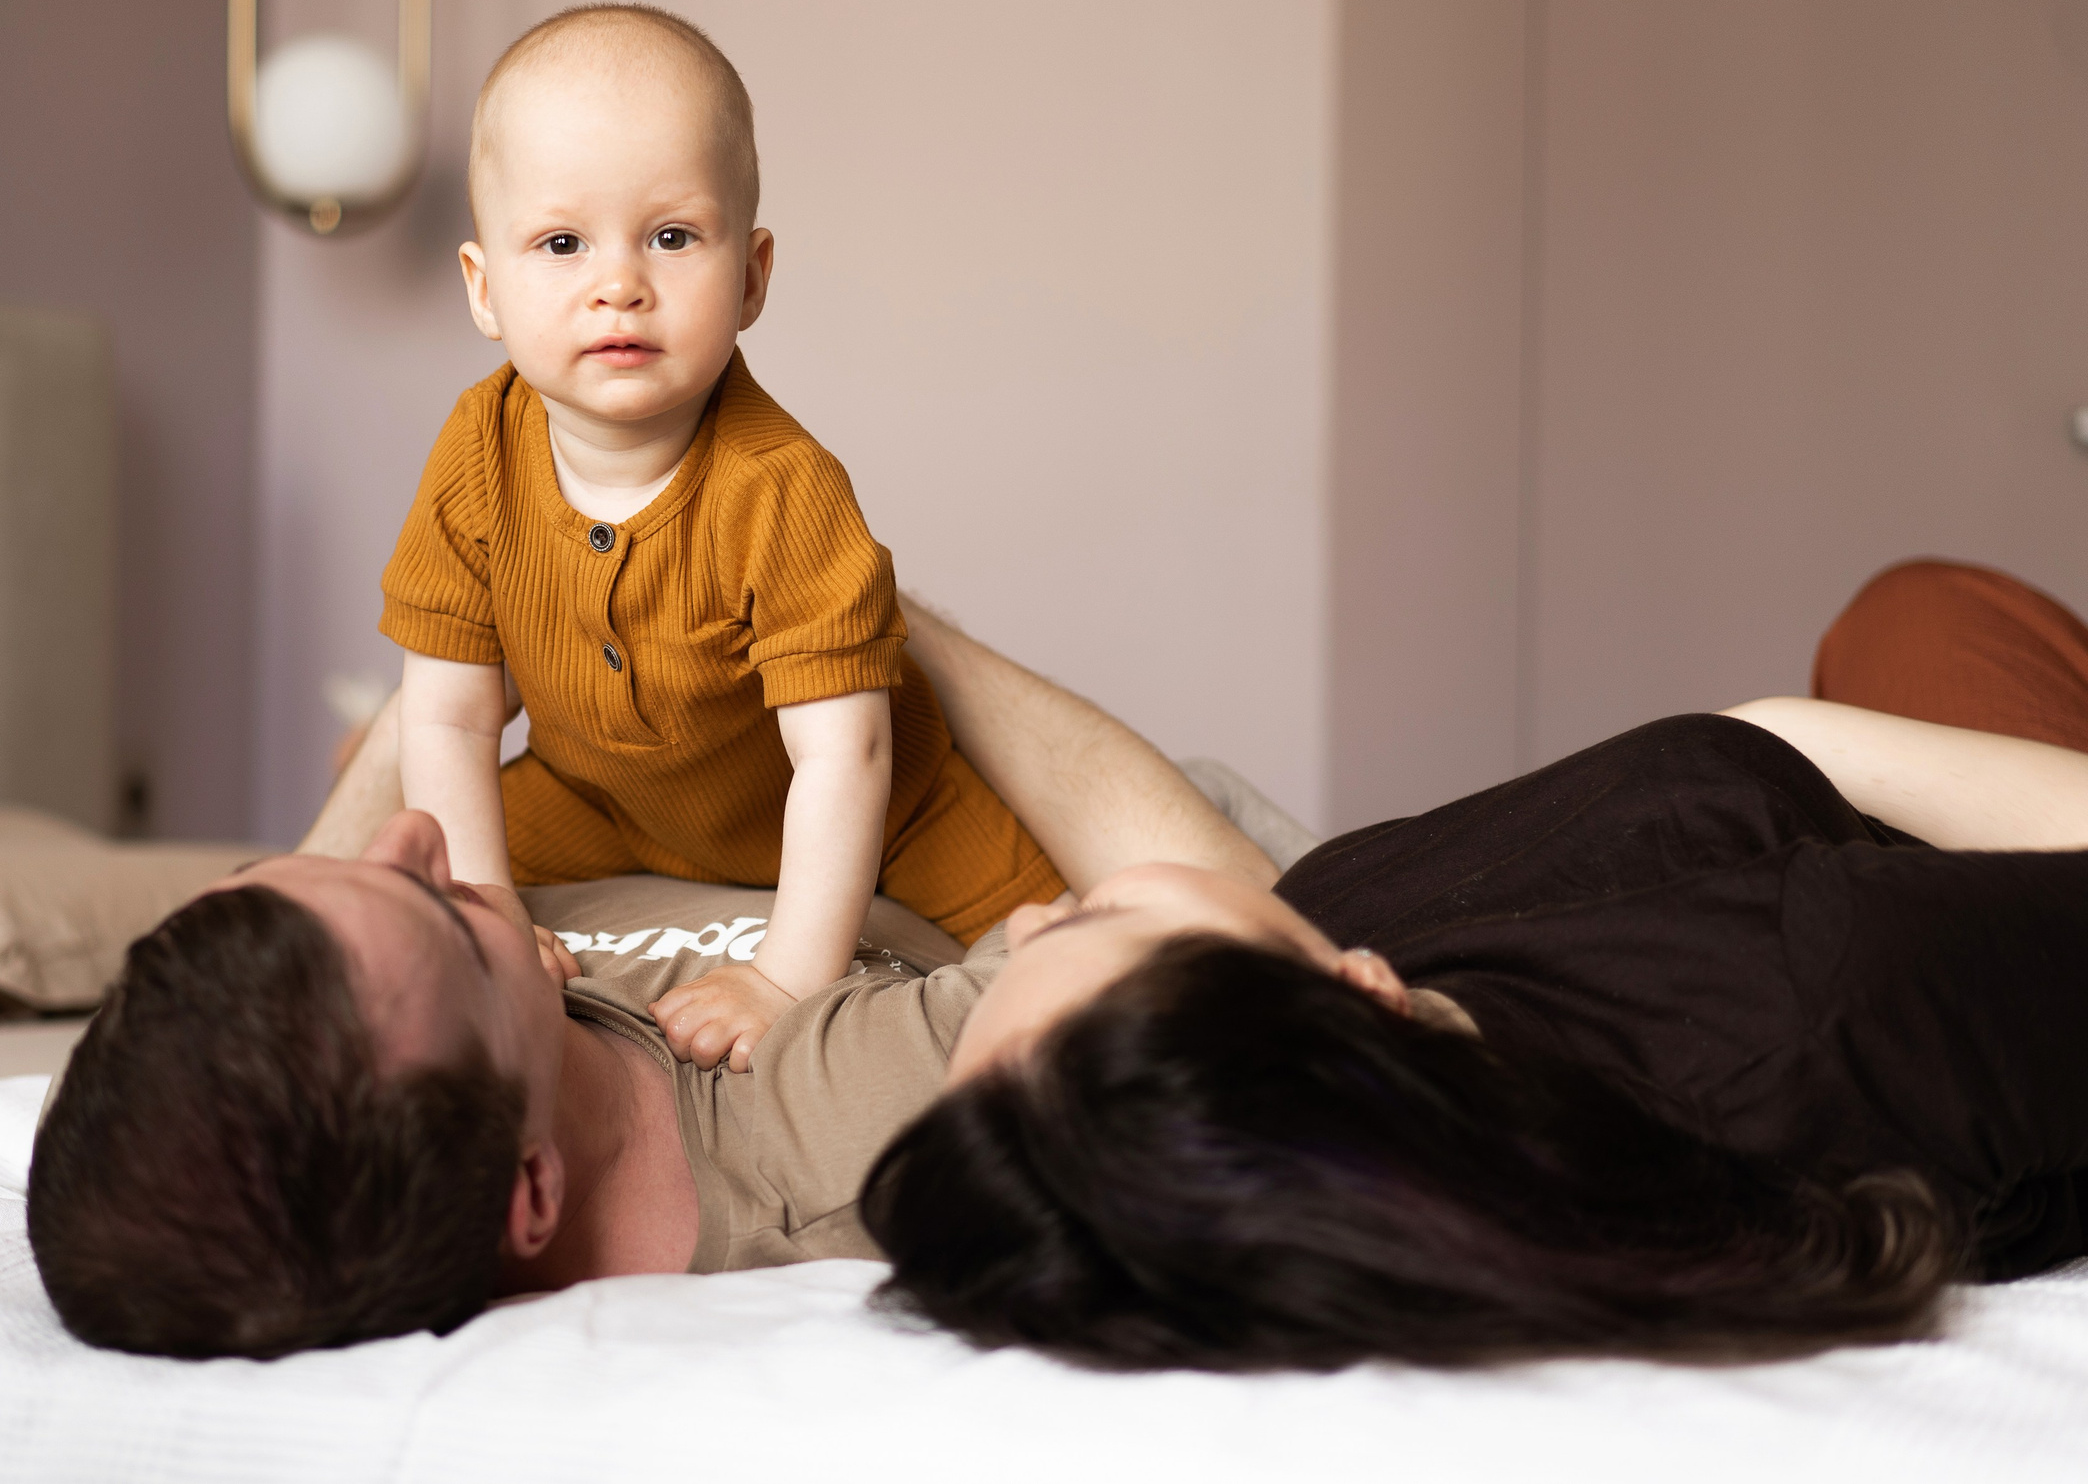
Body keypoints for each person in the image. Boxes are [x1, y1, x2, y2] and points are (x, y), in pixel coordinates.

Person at [863, 559, 2088, 1372]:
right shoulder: (1816, 1007)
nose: (1024, 921)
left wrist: (883, 609)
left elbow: (1214, 890)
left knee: (1909, 607)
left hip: (1836, 797)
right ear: (1360, 1000)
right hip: (1967, 846)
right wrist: (1795, 734)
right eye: (1080, 929)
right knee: (1930, 610)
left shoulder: (1336, 1022)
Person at [27, 598, 1266, 1360]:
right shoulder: (853, 1129)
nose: (419, 836)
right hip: (1169, 835)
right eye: (447, 913)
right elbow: (1242, 922)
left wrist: (467, 631)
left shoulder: (352, 1068)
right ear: (529, 1193)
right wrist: (861, 611)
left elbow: (336, 925)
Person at [362, 3, 1063, 1075]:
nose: (618, 283)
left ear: (750, 278)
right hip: (594, 795)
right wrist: (489, 908)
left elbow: (846, 753)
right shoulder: (474, 451)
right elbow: (451, 720)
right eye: (560, 243)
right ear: (483, 288)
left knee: (1058, 948)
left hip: (894, 805)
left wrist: (784, 977)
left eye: (672, 237)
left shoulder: (782, 487)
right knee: (404, 895)